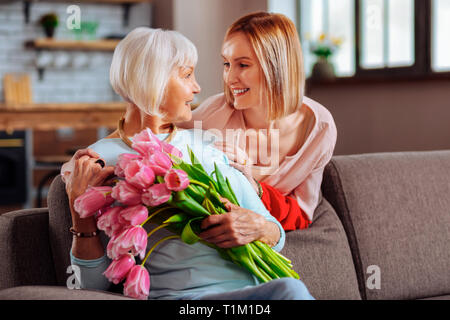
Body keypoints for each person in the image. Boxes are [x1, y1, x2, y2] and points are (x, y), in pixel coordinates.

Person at [65, 27, 313, 300]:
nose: (197, 87)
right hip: (188, 301)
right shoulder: (98, 162)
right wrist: (81, 215)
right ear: (153, 79)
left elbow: (276, 236)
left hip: (256, 291)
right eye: (186, 75)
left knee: (290, 288)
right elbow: (87, 291)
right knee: (290, 290)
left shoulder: (208, 146)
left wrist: (257, 227)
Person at [62, 12, 337, 232]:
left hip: (267, 234)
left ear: (276, 68)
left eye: (243, 65)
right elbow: (153, 138)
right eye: (226, 64)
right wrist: (93, 157)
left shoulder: (319, 127)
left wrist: (255, 197)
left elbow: (301, 213)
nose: (229, 79)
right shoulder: (214, 116)